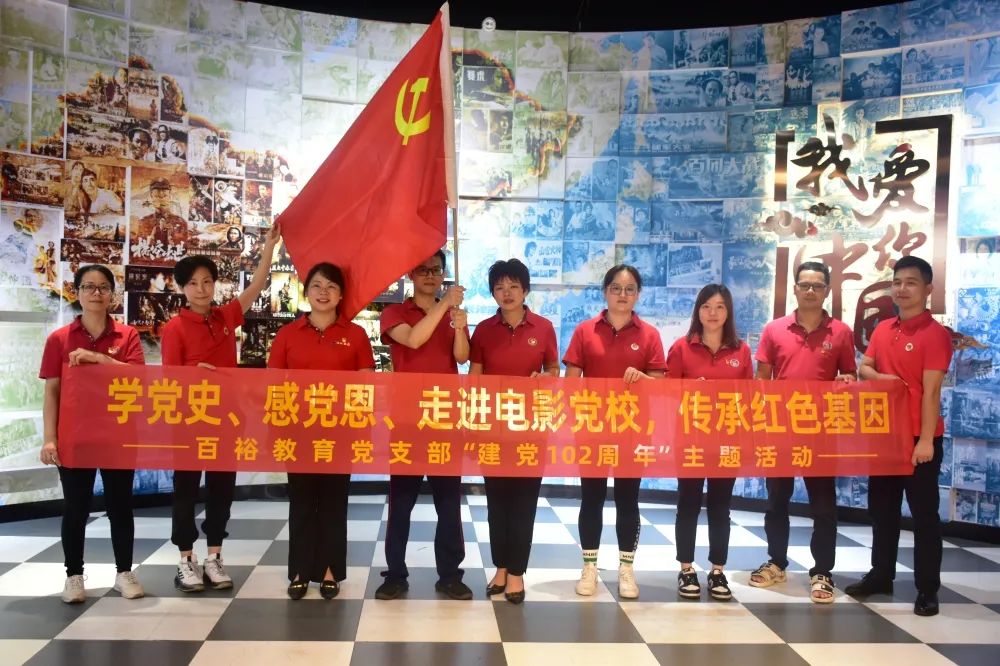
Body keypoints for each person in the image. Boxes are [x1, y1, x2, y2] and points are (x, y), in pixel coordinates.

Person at [161, 225, 280, 593]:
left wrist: (269, 247)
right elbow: (169, 381)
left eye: (207, 282)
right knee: (185, 490)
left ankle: (214, 556)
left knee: (221, 490)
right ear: (182, 288)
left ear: (215, 284)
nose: (202, 289)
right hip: (189, 421)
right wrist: (192, 376)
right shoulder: (175, 328)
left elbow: (258, 285)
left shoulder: (226, 317)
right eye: (193, 283)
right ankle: (185, 559)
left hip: (226, 420)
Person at [846, 256, 953, 617]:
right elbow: (864, 367)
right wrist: (881, 379)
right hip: (884, 436)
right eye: (897, 282)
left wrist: (924, 441)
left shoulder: (935, 335)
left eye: (911, 282)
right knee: (882, 511)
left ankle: (927, 588)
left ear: (928, 289)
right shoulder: (883, 329)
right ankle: (881, 575)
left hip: (919, 438)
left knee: (924, 516)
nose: (902, 289)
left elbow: (931, 392)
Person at [750, 261, 857, 603]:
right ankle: (776, 562)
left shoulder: (841, 332)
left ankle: (822, 571)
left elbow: (849, 376)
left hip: (821, 431)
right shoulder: (774, 329)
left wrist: (846, 382)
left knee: (823, 504)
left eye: (817, 285)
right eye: (805, 285)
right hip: (779, 429)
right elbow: (761, 380)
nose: (810, 291)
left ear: (827, 290)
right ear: (795, 289)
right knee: (776, 500)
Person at [38, 265, 146, 603]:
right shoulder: (59, 339)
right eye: (88, 287)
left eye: (103, 287)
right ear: (77, 292)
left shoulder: (127, 335)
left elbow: (138, 378)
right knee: (76, 508)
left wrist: (97, 358)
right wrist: (50, 437)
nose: (96, 293)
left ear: (112, 294)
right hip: (75, 437)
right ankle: (73, 575)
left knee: (120, 507)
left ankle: (124, 572)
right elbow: (52, 392)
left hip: (119, 435)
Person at [268, 262, 375, 600]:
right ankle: (300, 570)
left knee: (333, 502)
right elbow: (274, 384)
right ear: (306, 292)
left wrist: (360, 429)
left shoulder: (355, 335)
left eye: (331, 286)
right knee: (301, 502)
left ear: (341, 295)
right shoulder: (288, 334)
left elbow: (366, 385)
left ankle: (330, 571)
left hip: (340, 433)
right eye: (316, 285)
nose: (323, 292)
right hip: (298, 432)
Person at [564, 264, 666, 599]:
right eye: (616, 288)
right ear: (605, 292)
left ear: (638, 294)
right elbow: (571, 382)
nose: (623, 295)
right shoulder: (585, 331)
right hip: (592, 429)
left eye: (630, 289)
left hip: (632, 430)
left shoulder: (649, 334)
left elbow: (660, 385)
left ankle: (626, 568)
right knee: (591, 498)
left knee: (628, 499)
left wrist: (643, 378)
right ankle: (589, 566)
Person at [376, 249, 472, 601]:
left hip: (445, 418)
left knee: (448, 502)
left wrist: (459, 325)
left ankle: (450, 574)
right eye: (423, 270)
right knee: (401, 502)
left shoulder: (452, 314)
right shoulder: (395, 313)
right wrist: (445, 304)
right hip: (407, 419)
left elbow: (462, 356)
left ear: (443, 273)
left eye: (436, 269)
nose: (430, 275)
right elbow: (415, 339)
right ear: (411, 275)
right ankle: (395, 574)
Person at [469, 259, 559, 604]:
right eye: (499, 287)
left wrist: (545, 379)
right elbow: (475, 376)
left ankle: (518, 571)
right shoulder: (483, 330)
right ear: (493, 292)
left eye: (513, 286)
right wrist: (473, 420)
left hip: (530, 429)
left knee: (524, 502)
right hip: (492, 428)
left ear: (525, 290)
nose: (506, 293)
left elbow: (554, 371)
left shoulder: (544, 328)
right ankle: (501, 567)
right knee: (496, 501)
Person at [667, 284, 752, 601]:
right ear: (698, 311)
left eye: (719, 307)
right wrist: (691, 390)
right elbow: (667, 393)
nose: (712, 313)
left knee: (720, 506)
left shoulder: (741, 351)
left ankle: (717, 571)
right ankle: (686, 568)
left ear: (728, 312)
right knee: (688, 503)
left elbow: (749, 397)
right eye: (706, 306)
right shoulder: (681, 347)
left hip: (728, 439)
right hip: (689, 438)